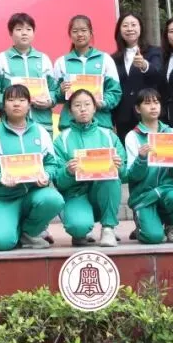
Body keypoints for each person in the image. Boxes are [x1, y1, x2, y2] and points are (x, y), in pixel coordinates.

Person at [0, 84, 65, 251]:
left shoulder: (41, 132)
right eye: (11, 100)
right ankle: (11, 228)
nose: (16, 104)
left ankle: (28, 232)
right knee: (0, 242)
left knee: (54, 199)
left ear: (29, 105)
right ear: (4, 105)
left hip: (33, 195)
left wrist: (46, 175)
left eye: (22, 100)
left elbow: (52, 164)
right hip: (4, 198)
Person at [52, 89, 126, 247]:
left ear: (95, 108)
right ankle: (80, 231)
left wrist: (119, 167)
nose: (83, 109)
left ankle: (108, 229)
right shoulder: (61, 140)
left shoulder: (109, 136)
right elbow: (58, 181)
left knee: (111, 177)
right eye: (77, 105)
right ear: (70, 111)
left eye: (87, 104)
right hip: (76, 193)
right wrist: (68, 172)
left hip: (101, 191)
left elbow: (125, 174)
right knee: (78, 228)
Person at [123, 89, 173, 245]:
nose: (153, 107)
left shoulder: (172, 133)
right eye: (147, 103)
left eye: (156, 102)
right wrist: (141, 158)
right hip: (144, 195)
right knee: (153, 237)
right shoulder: (133, 136)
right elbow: (132, 176)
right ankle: (142, 225)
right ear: (138, 109)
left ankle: (171, 224)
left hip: (168, 189)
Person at [0, 13, 59, 131]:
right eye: (19, 29)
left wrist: (49, 101)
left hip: (42, 125)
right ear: (11, 33)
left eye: (28, 29)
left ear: (33, 33)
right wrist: (12, 101)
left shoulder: (44, 59)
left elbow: (54, 90)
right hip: (11, 126)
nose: (24, 33)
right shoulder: (1, 60)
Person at [54, 15, 121, 130]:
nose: (80, 34)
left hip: (100, 124)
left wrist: (102, 103)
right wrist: (61, 91)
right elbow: (54, 95)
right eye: (75, 31)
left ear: (91, 33)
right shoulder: (61, 62)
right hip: (70, 125)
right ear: (70, 34)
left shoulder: (105, 59)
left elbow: (115, 92)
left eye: (84, 30)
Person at [112, 13, 163, 142]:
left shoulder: (154, 52)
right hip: (122, 117)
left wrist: (144, 65)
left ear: (141, 28)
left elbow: (158, 74)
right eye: (125, 25)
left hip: (147, 115)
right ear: (119, 30)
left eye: (133, 25)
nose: (130, 29)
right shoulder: (114, 58)